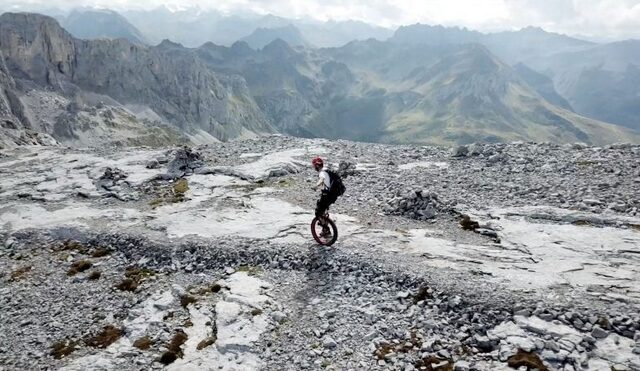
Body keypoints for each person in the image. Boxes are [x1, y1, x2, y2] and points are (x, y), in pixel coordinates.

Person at [312, 156, 336, 237]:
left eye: (314, 166)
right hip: (332, 195)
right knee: (324, 212)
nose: (314, 167)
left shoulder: (322, 172)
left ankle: (326, 230)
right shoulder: (327, 171)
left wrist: (316, 186)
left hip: (326, 195)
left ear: (317, 165)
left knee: (318, 213)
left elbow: (321, 179)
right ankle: (325, 230)